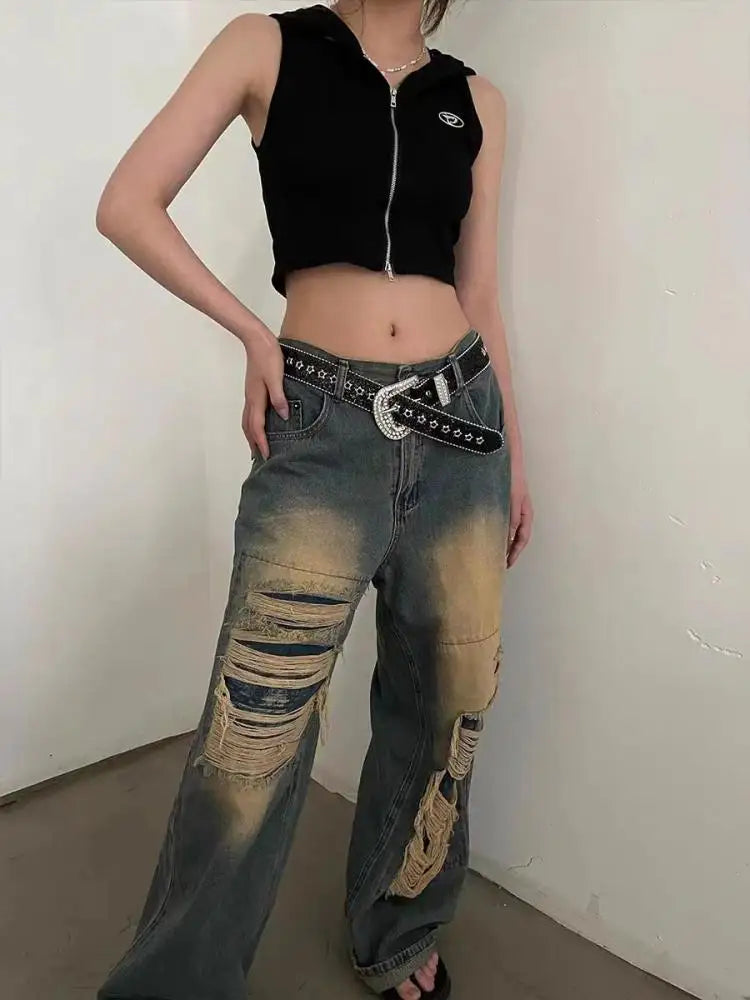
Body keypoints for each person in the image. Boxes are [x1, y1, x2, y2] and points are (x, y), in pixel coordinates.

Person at [95, 2, 533, 997]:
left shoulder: (477, 100)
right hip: (321, 422)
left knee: (448, 703)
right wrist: (253, 331)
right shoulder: (268, 44)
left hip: (461, 423)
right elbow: (128, 203)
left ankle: (399, 929)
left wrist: (514, 457)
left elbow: (481, 294)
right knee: (254, 730)